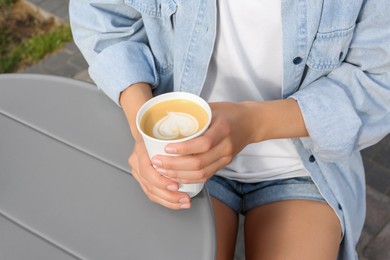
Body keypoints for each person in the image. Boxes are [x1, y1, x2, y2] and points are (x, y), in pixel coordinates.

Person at [69, 0, 390, 259]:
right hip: (180, 152)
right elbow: (101, 17)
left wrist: (251, 122)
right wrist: (145, 131)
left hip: (304, 166)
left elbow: (380, 82)